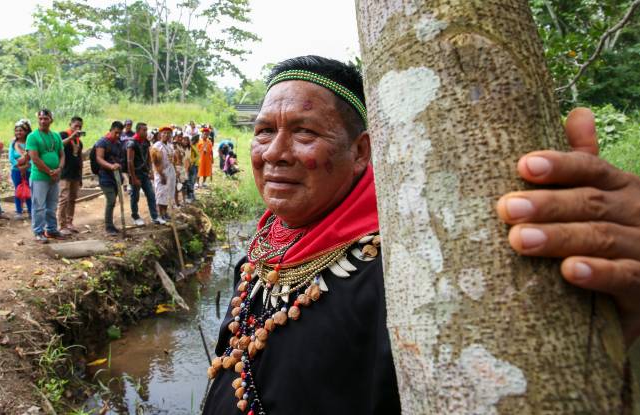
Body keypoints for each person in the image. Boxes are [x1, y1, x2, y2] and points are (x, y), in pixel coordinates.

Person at [202, 56, 640, 414]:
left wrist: (575, 311)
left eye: (304, 132)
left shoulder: (403, 277)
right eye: (264, 131)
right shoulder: (259, 259)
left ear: (360, 152)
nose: (275, 153)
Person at [26, 109, 65, 243]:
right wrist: (50, 172)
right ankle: (38, 231)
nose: (43, 121)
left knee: (52, 205)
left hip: (55, 176)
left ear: (51, 120)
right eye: (41, 118)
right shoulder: (32, 136)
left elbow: (62, 154)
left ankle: (52, 229)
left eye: (46, 118)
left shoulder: (56, 136)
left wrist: (59, 168)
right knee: (39, 206)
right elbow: (35, 158)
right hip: (39, 177)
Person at [126, 122, 164, 226]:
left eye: (147, 130)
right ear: (138, 130)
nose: (146, 132)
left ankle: (155, 216)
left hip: (144, 173)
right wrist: (133, 178)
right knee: (135, 196)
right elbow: (130, 161)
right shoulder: (132, 143)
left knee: (151, 194)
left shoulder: (146, 142)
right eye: (144, 130)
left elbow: (148, 157)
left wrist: (150, 171)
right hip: (136, 173)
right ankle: (135, 216)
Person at [95, 121, 124, 235]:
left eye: (120, 133)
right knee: (111, 200)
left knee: (113, 201)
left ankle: (111, 225)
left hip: (116, 176)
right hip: (105, 176)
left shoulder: (118, 143)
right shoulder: (102, 142)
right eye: (116, 133)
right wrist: (111, 166)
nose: (117, 135)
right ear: (111, 130)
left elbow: (119, 158)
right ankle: (108, 226)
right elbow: (99, 158)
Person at [58, 116, 84, 235]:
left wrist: (81, 176)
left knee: (72, 199)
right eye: (75, 126)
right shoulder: (63, 135)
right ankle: (62, 224)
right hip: (65, 173)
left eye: (80, 127)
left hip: (75, 174)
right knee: (63, 198)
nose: (77, 128)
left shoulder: (80, 142)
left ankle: (69, 222)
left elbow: (80, 159)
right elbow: (59, 145)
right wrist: (71, 137)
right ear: (70, 124)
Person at [150, 126, 176, 221]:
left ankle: (165, 212)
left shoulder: (169, 146)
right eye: (164, 133)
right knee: (161, 193)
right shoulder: (157, 146)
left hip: (170, 172)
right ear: (160, 134)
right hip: (161, 172)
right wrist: (161, 175)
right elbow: (156, 162)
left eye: (168, 133)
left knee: (168, 193)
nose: (166, 135)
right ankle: (161, 214)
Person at [9, 119, 32, 220]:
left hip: (29, 170)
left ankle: (31, 211)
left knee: (29, 190)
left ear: (26, 131)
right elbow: (11, 158)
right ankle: (19, 211)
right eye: (17, 130)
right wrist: (19, 166)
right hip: (16, 171)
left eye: (21, 130)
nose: (18, 132)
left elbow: (34, 156)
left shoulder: (30, 143)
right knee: (18, 190)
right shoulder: (13, 144)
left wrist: (27, 166)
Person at [187, 135, 199, 202]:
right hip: (192, 165)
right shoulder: (190, 147)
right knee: (190, 180)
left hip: (196, 165)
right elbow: (190, 157)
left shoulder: (195, 146)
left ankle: (192, 194)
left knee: (193, 181)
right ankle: (189, 196)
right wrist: (192, 162)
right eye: (196, 140)